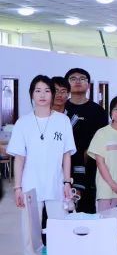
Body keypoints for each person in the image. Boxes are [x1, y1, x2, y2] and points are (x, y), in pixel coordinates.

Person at [10, 75, 75, 210]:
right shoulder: (22, 122)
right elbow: (19, 158)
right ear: (32, 94)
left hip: (56, 184)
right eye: (38, 91)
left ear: (52, 94)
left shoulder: (63, 121)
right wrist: (17, 188)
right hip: (30, 185)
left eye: (47, 91)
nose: (42, 95)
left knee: (59, 222)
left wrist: (67, 182)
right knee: (30, 223)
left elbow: (66, 154)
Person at [63, 68, 108, 212]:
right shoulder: (61, 109)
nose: (77, 81)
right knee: (60, 208)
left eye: (82, 78)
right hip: (63, 165)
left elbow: (103, 139)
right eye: (73, 78)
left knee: (86, 209)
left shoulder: (98, 111)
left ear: (88, 85)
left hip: (90, 165)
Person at [87, 96, 117, 212]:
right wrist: (113, 185)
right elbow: (100, 163)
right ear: (111, 112)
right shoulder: (102, 133)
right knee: (107, 222)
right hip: (107, 190)